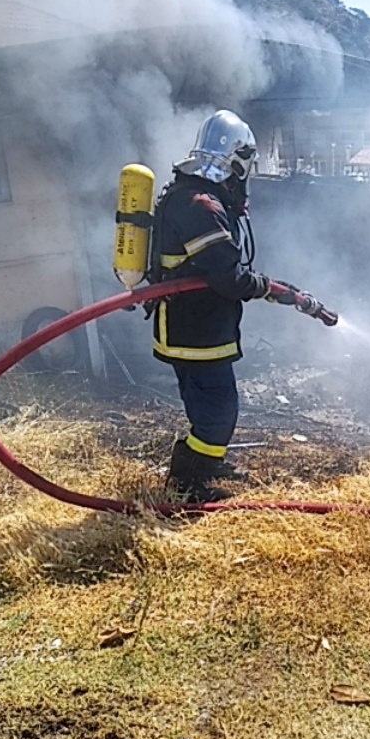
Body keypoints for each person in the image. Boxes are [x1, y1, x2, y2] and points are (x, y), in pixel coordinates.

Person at [152, 109, 271, 501]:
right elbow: (228, 277)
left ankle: (206, 463)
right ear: (236, 159)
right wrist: (265, 287)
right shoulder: (201, 204)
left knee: (207, 408)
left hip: (196, 328)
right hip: (195, 332)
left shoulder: (192, 195)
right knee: (219, 411)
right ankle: (188, 484)